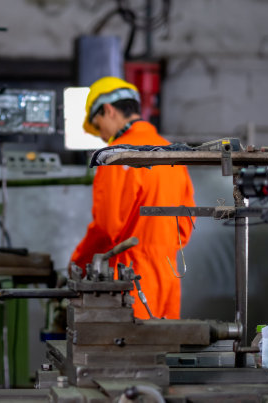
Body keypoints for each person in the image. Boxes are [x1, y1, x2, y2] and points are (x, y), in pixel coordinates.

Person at [70, 76, 196, 320]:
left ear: (108, 111)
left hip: (130, 282)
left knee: (127, 353)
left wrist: (78, 263)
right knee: (162, 352)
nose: (101, 136)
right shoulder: (171, 153)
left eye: (97, 126)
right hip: (169, 279)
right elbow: (185, 226)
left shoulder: (116, 156)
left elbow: (106, 229)